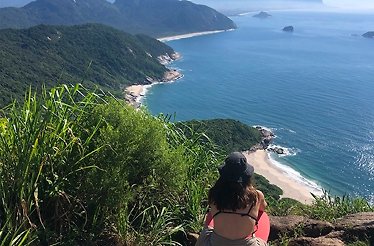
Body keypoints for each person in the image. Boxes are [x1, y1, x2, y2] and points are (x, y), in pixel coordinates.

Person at [196, 152, 270, 246]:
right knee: (263, 216)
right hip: (246, 244)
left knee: (210, 215)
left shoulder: (214, 193)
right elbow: (263, 208)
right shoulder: (256, 195)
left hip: (215, 243)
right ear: (246, 176)